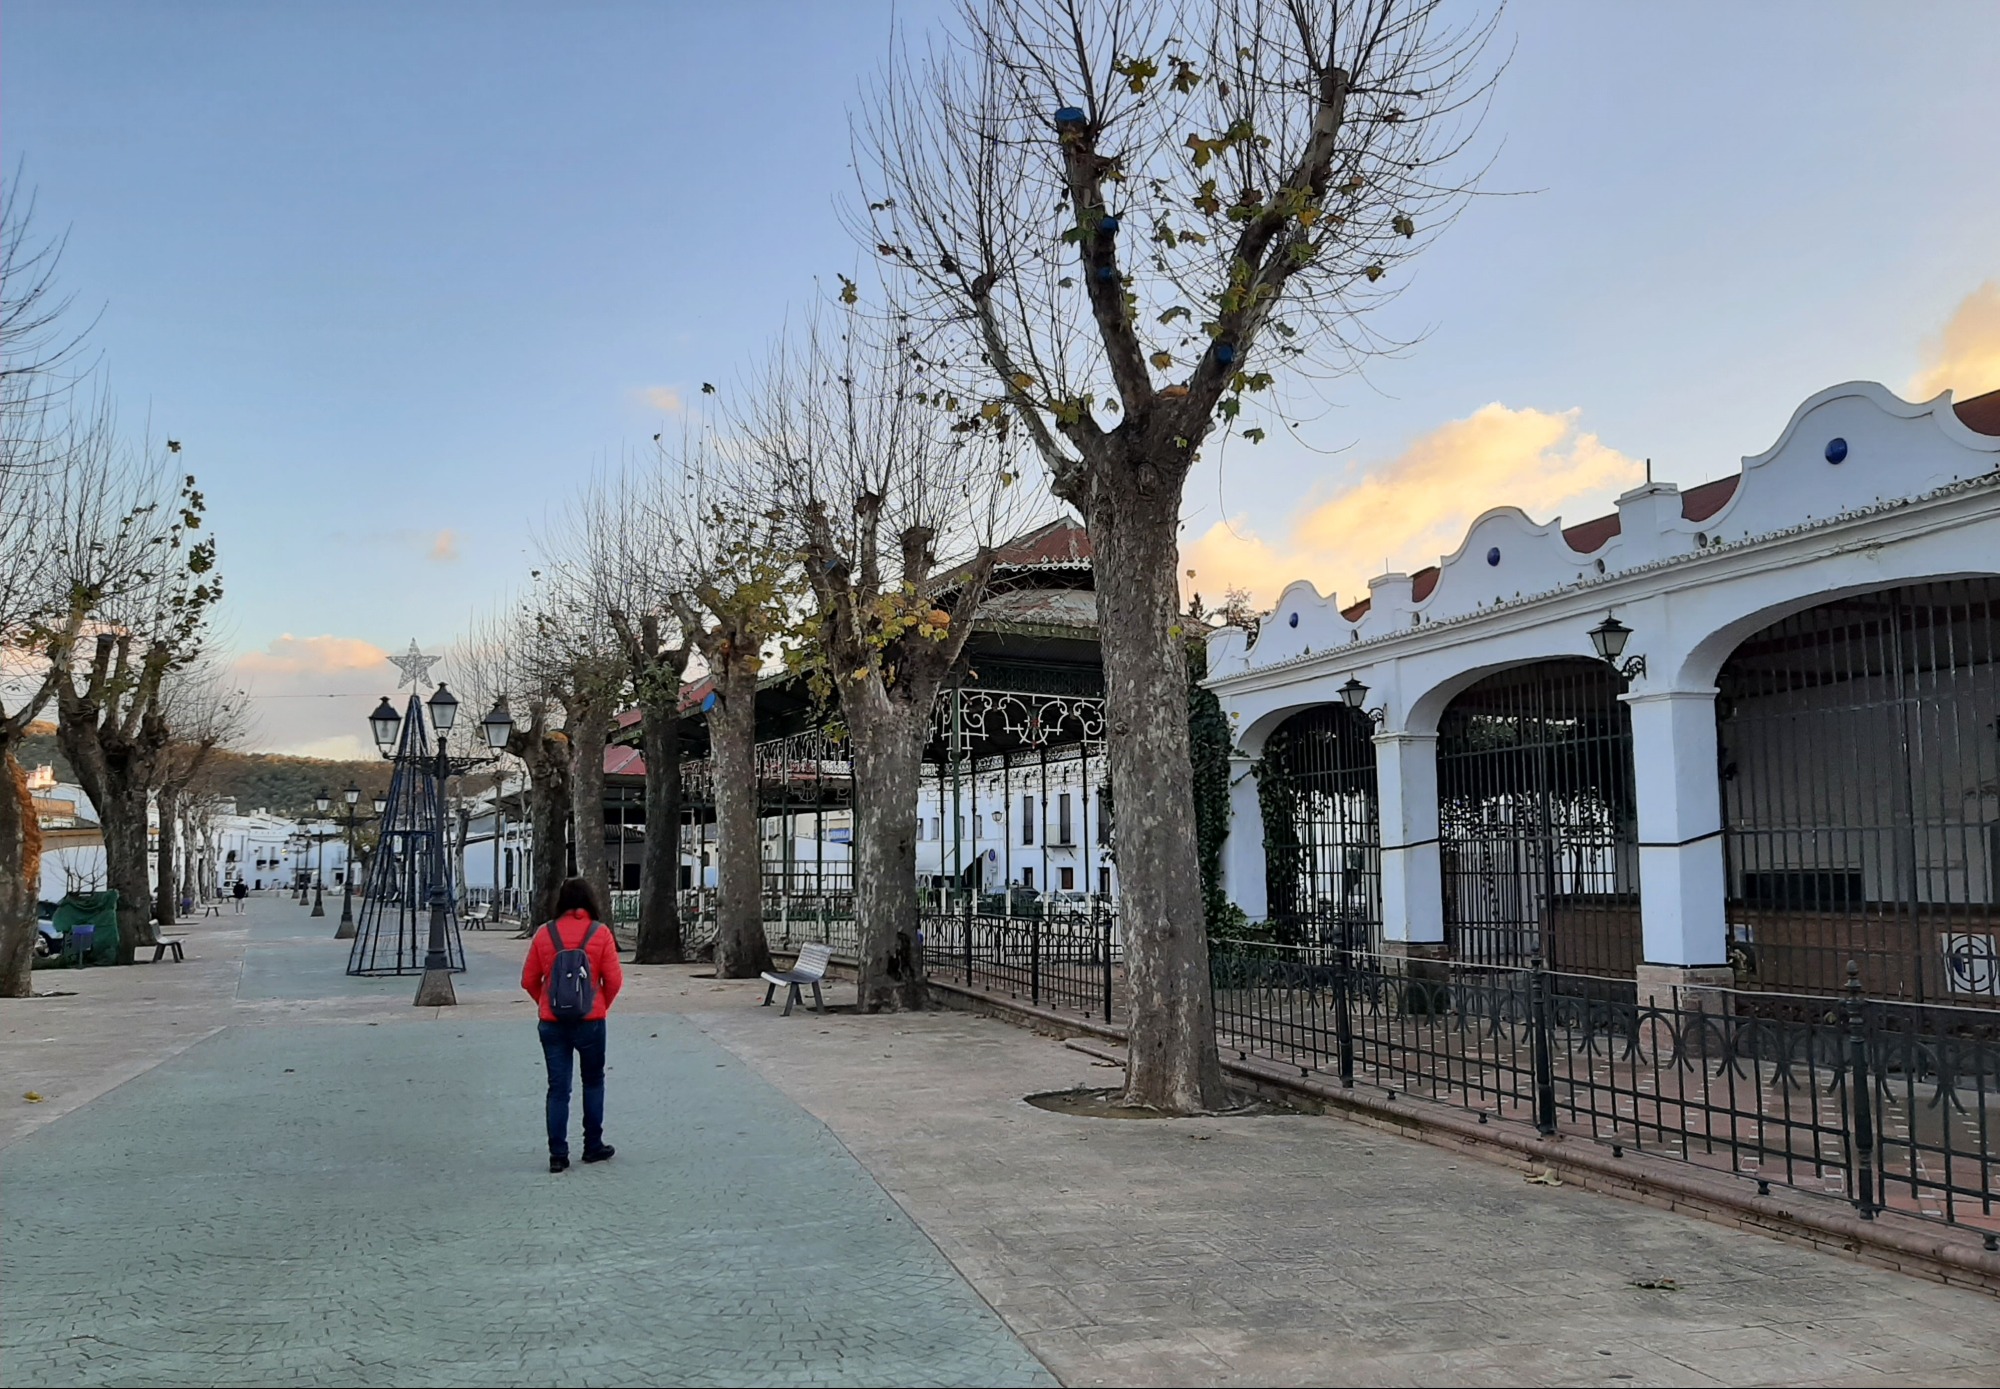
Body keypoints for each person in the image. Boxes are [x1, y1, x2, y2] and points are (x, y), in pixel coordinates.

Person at [520, 877, 623, 1173]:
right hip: (591, 1022)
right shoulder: (600, 933)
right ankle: (593, 1145)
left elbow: (528, 980)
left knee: (558, 1088)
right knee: (593, 1081)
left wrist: (546, 1004)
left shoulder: (545, 933)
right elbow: (614, 980)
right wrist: (598, 1005)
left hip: (552, 1024)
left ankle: (558, 1154)